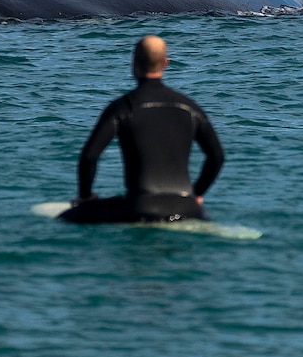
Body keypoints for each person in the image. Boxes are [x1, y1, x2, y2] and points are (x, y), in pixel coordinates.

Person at [59, 35, 225, 223]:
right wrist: (197, 194)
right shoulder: (189, 107)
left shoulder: (123, 107)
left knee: (66, 217)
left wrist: (85, 197)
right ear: (166, 63)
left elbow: (90, 156)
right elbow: (217, 156)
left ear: (134, 63)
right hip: (189, 209)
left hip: (141, 208)